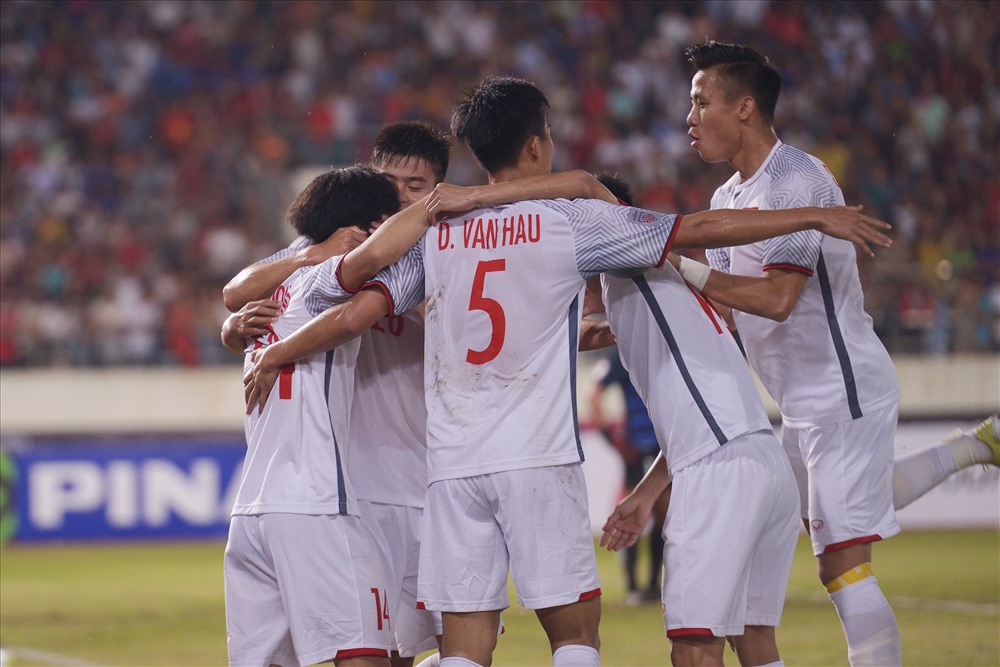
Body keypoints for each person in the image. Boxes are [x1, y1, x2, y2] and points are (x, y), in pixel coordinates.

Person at [241, 76, 892, 667]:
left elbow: (358, 309)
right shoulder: (568, 223)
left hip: (452, 467)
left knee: (464, 645)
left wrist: (275, 345)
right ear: (533, 146)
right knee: (574, 633)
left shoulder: (434, 234)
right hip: (536, 454)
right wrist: (813, 212)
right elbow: (698, 226)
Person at [675, 40, 1000, 667]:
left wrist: (679, 266)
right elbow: (728, 313)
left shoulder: (798, 179)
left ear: (744, 108)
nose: (689, 117)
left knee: (842, 565)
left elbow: (774, 300)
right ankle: (975, 446)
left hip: (841, 389)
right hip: (799, 402)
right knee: (823, 517)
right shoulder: (725, 201)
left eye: (700, 101)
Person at [223, 121, 452, 667]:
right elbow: (246, 294)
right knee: (371, 650)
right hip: (332, 493)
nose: (399, 195)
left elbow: (242, 296)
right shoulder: (326, 261)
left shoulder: (443, 251)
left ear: (438, 186)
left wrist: (259, 342)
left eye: (416, 186)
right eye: (388, 181)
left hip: (406, 479)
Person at [588, 174, 665, 607]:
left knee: (653, 518)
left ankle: (647, 586)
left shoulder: (627, 341)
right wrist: (612, 437)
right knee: (647, 517)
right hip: (645, 444)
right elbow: (596, 394)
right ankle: (640, 586)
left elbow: (595, 395)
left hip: (650, 444)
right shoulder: (624, 346)